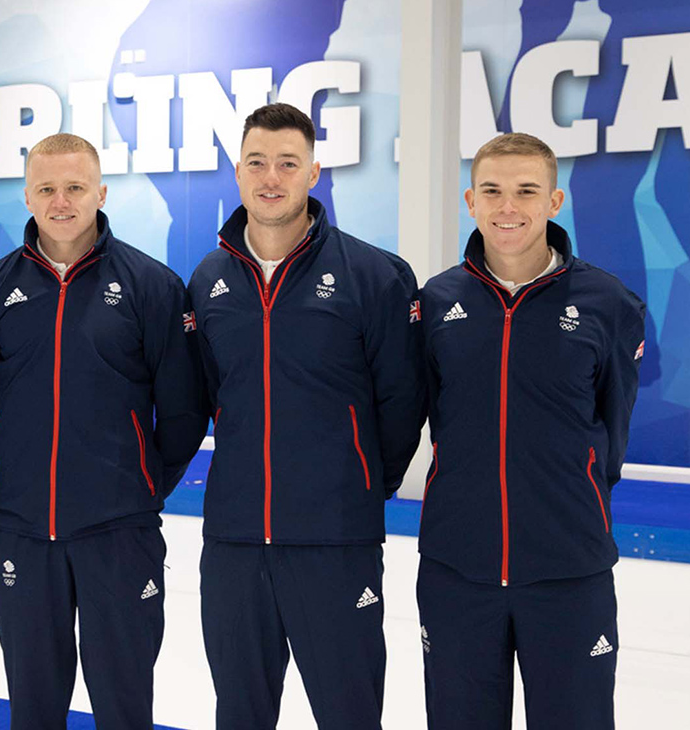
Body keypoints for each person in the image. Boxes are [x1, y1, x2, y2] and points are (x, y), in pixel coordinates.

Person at [187, 103, 425, 729]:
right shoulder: (208, 280)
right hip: (235, 543)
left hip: (335, 541)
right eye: (258, 163)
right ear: (238, 173)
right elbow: (214, 395)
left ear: (313, 172)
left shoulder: (374, 276)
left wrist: (361, 484)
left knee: (348, 714)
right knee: (240, 714)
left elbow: (401, 402)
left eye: (288, 163)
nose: (272, 177)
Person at [0, 133, 206, 729]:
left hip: (120, 535)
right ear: (26, 196)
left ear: (100, 190)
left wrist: (135, 485)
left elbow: (181, 412)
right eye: (46, 188)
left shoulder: (153, 286)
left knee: (124, 707)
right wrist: (25, 466)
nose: (60, 201)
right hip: (22, 531)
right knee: (34, 709)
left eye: (74, 187)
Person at [417, 133, 645, 729]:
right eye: (492, 191)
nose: (508, 207)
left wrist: (576, 497)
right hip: (457, 568)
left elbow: (612, 430)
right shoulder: (437, 302)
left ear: (555, 200)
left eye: (526, 191)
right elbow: (433, 414)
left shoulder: (607, 303)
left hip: (569, 570)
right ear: (470, 201)